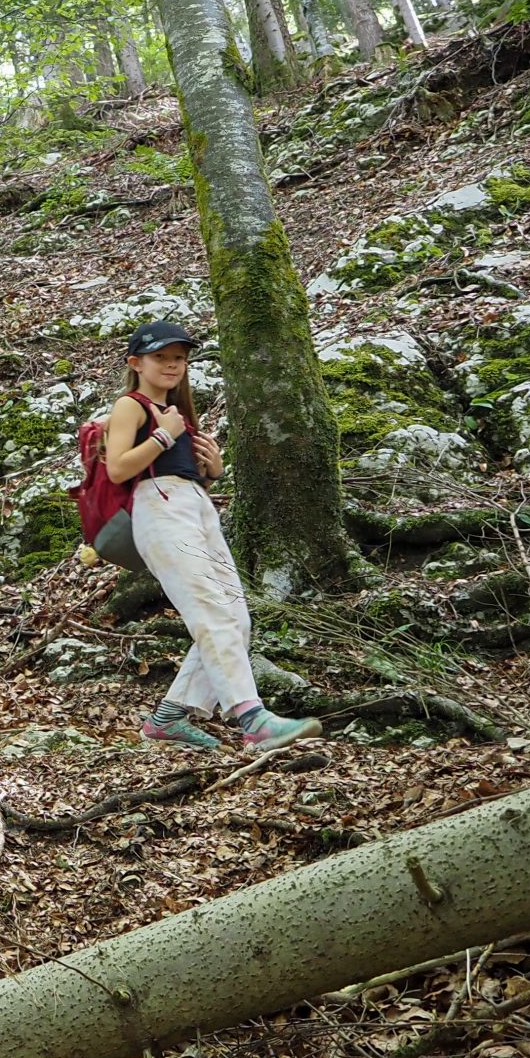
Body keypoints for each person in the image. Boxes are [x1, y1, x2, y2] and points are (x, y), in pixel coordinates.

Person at [107, 321, 319, 752]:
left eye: (179, 358)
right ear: (136, 363)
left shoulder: (177, 413)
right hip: (160, 511)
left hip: (195, 507)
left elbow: (182, 473)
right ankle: (253, 720)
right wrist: (165, 435)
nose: (172, 365)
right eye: (160, 357)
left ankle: (167, 719)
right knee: (212, 613)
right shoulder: (131, 405)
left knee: (236, 618)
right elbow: (117, 469)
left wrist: (212, 470)